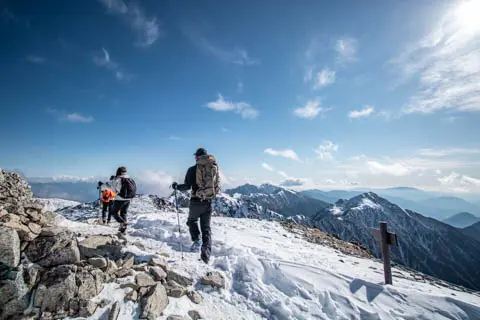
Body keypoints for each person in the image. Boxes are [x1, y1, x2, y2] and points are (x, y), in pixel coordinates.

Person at [172, 148, 220, 264]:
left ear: (196, 157)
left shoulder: (192, 169)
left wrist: (176, 186)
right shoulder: (213, 167)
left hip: (195, 202)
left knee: (191, 221)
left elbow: (187, 186)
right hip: (208, 202)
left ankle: (196, 241)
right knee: (206, 229)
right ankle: (206, 253)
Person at [110, 167, 136, 234]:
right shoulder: (129, 178)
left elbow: (114, 190)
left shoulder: (118, 179)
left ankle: (123, 223)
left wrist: (112, 180)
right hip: (128, 198)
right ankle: (123, 230)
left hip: (120, 198)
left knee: (113, 212)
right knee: (123, 213)